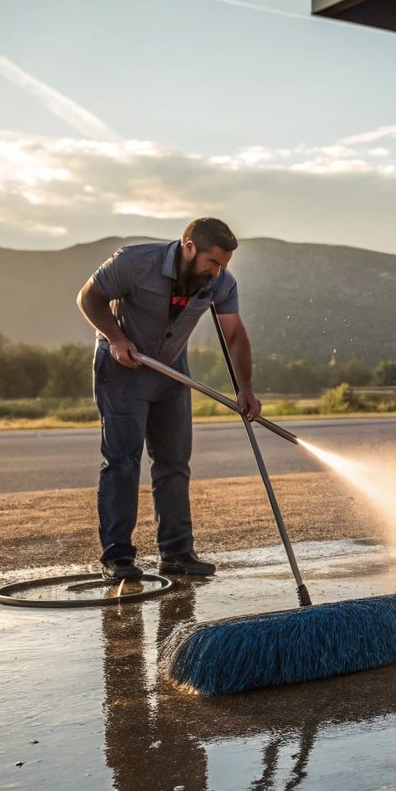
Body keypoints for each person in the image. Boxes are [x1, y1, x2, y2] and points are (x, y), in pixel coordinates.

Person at [76, 218, 261, 580]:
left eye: (223, 265)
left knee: (174, 463)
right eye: (213, 262)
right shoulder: (133, 262)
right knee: (123, 461)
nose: (217, 272)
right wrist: (115, 338)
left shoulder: (220, 282)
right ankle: (119, 557)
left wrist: (246, 388)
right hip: (122, 370)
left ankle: (176, 553)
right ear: (189, 247)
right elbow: (89, 297)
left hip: (172, 373)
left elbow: (235, 334)